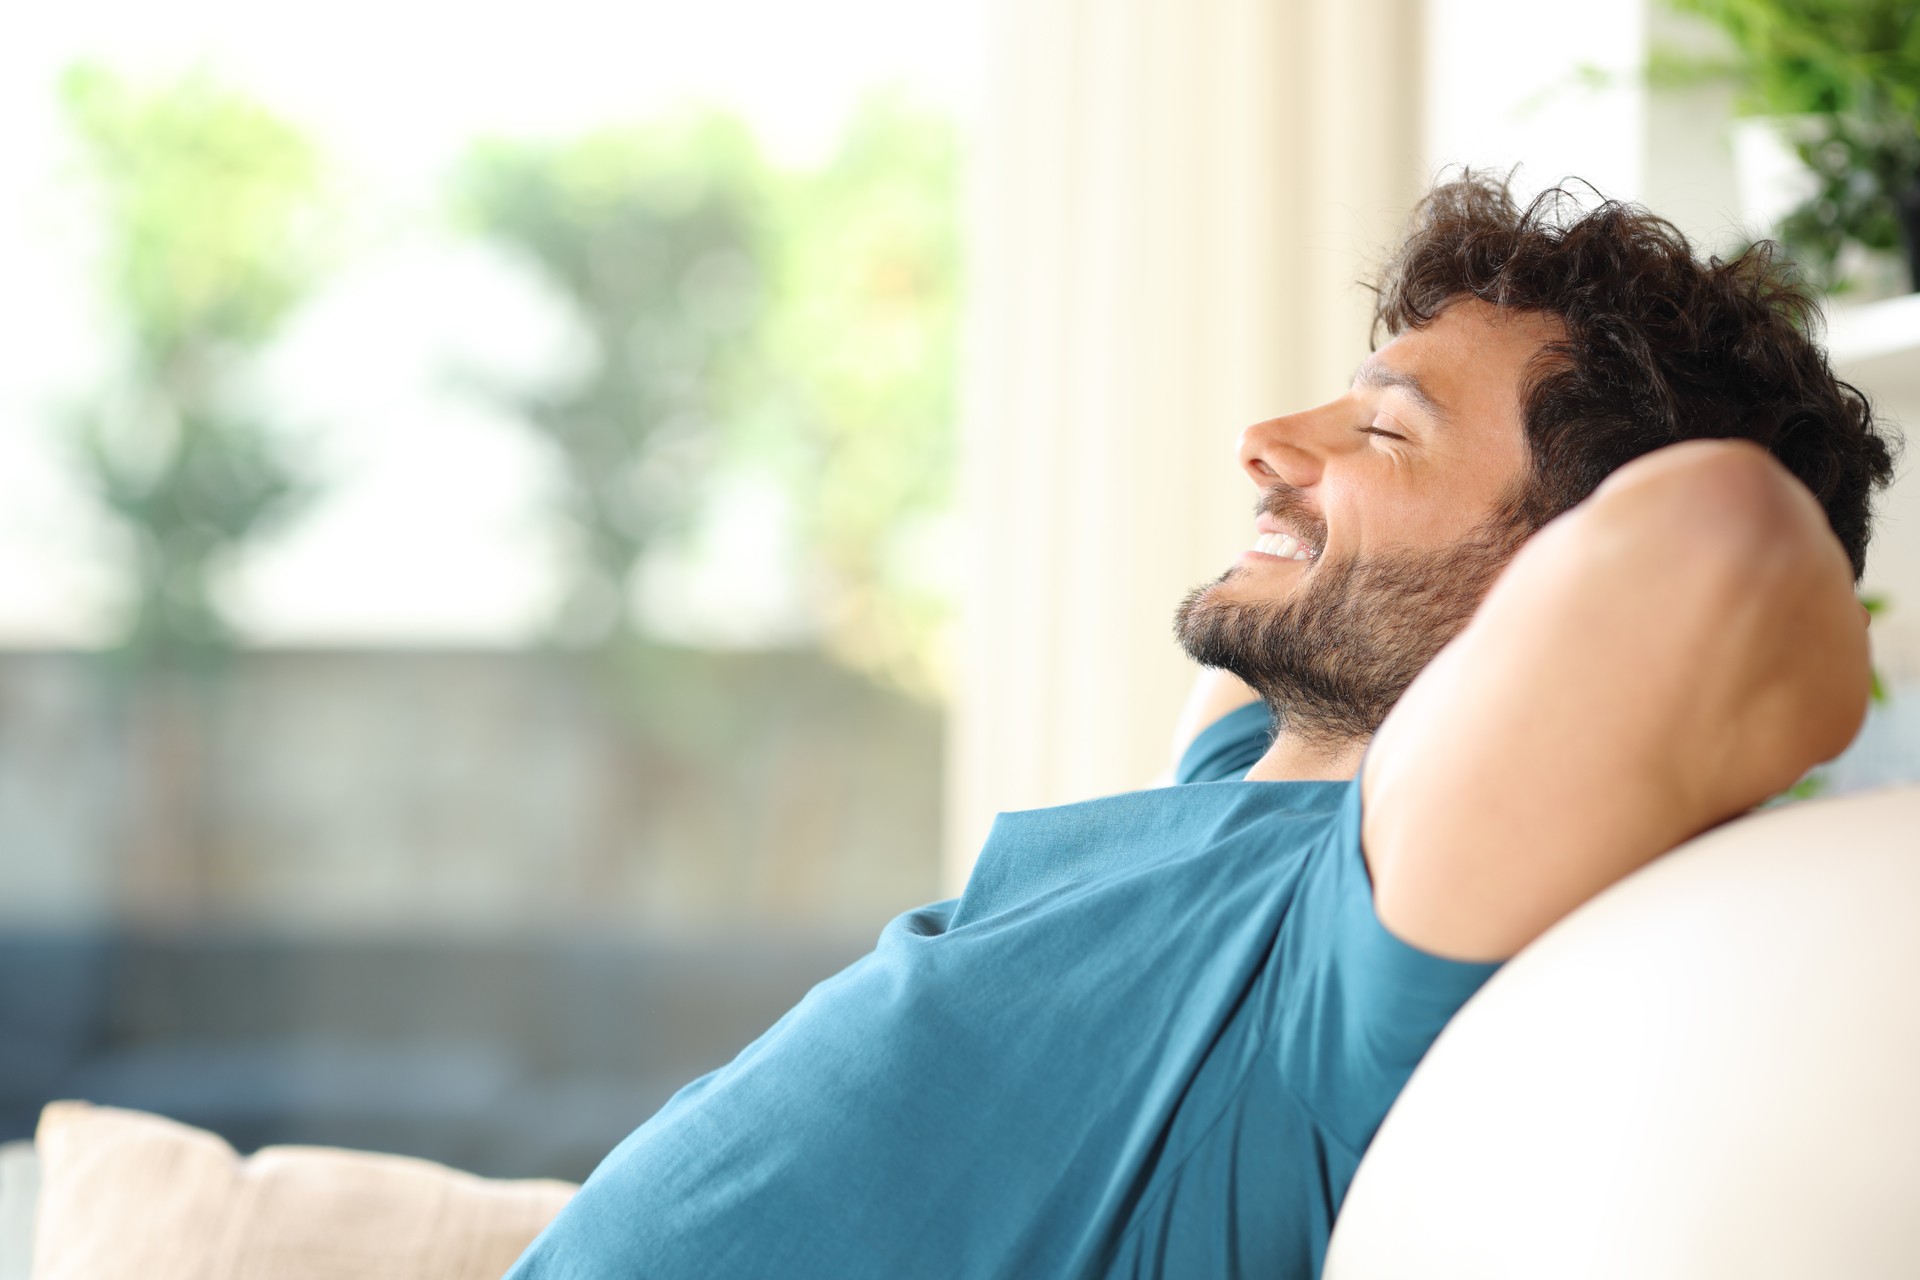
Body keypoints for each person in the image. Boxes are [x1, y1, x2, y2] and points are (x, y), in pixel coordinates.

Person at [505, 174, 1898, 1279]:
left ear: (1557, 571)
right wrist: (1380, 460)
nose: (1265, 437)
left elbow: (1720, 550)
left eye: (1387, 432)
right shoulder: (1240, 784)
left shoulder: (1350, 939)